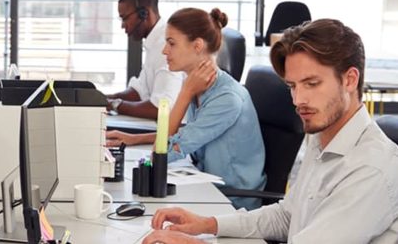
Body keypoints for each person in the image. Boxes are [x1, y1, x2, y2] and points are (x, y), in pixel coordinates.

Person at [142, 19, 398, 243]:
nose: (298, 100)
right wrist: (208, 224)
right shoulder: (322, 138)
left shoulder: (371, 168)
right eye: (292, 87)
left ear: (349, 80)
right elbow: (287, 216)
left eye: (312, 84)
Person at [107, 8, 266, 210]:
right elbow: (184, 135)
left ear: (197, 45)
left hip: (232, 202)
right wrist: (133, 138)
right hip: (207, 187)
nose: (165, 50)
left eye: (171, 43)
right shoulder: (204, 88)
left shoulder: (226, 99)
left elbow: (160, 156)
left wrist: (185, 93)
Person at [108, 0, 184, 119]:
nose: (122, 25)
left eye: (125, 18)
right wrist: (105, 99)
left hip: (168, 131)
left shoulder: (165, 45)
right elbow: (140, 91)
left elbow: (160, 108)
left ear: (144, 14)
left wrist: (115, 105)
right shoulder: (154, 42)